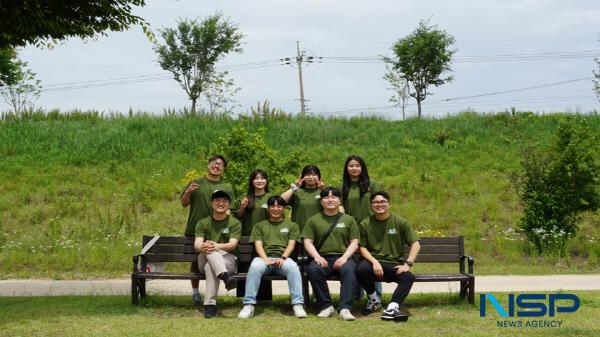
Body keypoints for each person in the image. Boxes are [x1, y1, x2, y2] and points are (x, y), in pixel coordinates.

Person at [238, 196, 307, 319]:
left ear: (284, 208)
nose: (276, 209)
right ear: (268, 209)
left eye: (279, 206)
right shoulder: (259, 225)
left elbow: (291, 244)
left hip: (283, 259)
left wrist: (283, 257)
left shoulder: (292, 226)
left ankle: (298, 304)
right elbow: (258, 245)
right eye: (273, 206)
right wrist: (265, 259)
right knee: (254, 267)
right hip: (263, 258)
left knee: (293, 268)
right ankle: (248, 305)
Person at [356, 191, 421, 321]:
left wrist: (407, 264)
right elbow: (362, 247)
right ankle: (374, 301)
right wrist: (374, 262)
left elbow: (415, 244)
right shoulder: (365, 223)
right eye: (375, 202)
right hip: (373, 262)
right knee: (361, 269)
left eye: (382, 202)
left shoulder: (400, 222)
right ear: (371, 205)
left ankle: (392, 307)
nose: (379, 204)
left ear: (388, 204)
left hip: (393, 263)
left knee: (408, 277)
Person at [181, 154, 233, 306]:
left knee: (212, 255)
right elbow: (184, 203)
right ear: (208, 164)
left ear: (223, 169)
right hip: (194, 229)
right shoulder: (196, 182)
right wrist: (188, 191)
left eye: (220, 165)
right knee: (194, 263)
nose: (217, 166)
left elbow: (229, 209)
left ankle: (212, 295)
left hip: (216, 230)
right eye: (214, 163)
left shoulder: (226, 187)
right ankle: (196, 293)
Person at [302, 187, 359, 321]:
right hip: (323, 258)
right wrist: (317, 256)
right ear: (321, 201)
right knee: (313, 269)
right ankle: (326, 306)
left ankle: (345, 308)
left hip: (344, 257)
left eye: (334, 197)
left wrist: (344, 257)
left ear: (339, 200)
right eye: (326, 197)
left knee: (350, 271)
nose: (330, 199)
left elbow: (354, 242)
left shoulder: (349, 220)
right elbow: (308, 241)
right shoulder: (313, 220)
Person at [340, 154, 383, 298]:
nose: (354, 168)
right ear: (346, 168)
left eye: (357, 166)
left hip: (370, 227)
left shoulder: (372, 184)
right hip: (351, 229)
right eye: (351, 166)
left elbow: (380, 204)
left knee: (371, 259)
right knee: (354, 260)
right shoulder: (343, 187)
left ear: (362, 167)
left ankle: (376, 295)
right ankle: (357, 294)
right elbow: (339, 207)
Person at [194, 190, 241, 318]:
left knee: (210, 266)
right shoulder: (203, 223)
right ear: (211, 203)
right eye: (217, 200)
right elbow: (197, 245)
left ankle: (210, 306)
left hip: (227, 259)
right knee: (210, 250)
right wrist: (204, 246)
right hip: (204, 256)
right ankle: (225, 277)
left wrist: (217, 246)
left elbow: (232, 245)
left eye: (224, 201)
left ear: (229, 204)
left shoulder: (234, 223)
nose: (221, 203)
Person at [281, 165, 325, 232]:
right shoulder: (297, 192)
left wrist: (323, 190)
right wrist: (294, 187)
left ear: (319, 177)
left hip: (318, 231)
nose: (310, 177)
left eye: (314, 175)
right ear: (302, 176)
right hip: (298, 231)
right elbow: (280, 200)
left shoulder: (322, 192)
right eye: (307, 175)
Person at [235, 169, 273, 236]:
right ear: (252, 181)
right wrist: (242, 208)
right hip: (247, 236)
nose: (259, 181)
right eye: (256, 178)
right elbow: (236, 217)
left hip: (266, 236)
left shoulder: (271, 198)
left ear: (266, 181)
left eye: (262, 178)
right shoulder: (245, 197)